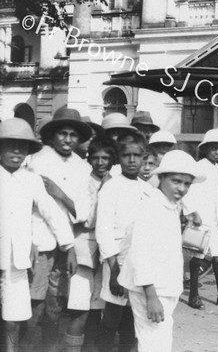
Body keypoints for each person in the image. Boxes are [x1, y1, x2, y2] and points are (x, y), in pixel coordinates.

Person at [0, 119, 74, 352]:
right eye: (10, 145)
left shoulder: (31, 180)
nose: (16, 151)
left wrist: (69, 246)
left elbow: (51, 212)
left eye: (22, 146)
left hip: (16, 262)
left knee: (13, 319)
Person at [119, 150, 204, 352]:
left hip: (166, 286)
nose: (181, 188)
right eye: (176, 181)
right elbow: (141, 253)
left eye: (187, 184)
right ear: (162, 177)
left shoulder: (171, 206)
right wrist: (151, 296)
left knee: (160, 341)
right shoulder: (151, 207)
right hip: (151, 289)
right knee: (154, 344)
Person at [28, 107, 92, 351]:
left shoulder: (83, 167)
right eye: (62, 133)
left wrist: (61, 194)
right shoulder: (39, 160)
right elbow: (38, 207)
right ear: (53, 135)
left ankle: (48, 347)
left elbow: (84, 211)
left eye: (73, 135)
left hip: (69, 243)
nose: (67, 139)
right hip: (41, 240)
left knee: (55, 304)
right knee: (34, 301)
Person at [95, 131, 152, 352]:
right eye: (126, 155)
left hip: (138, 261)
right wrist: (114, 271)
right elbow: (104, 230)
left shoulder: (147, 189)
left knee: (132, 316)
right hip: (116, 261)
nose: (131, 160)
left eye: (136, 155)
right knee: (112, 316)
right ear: (118, 157)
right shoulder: (111, 188)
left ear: (143, 157)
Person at [63, 136, 117, 352]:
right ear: (89, 159)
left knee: (96, 309)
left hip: (105, 253)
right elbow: (85, 218)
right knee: (79, 310)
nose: (101, 162)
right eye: (96, 158)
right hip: (83, 247)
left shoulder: (116, 181)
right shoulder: (83, 181)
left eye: (105, 158)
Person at [182, 129, 218, 310]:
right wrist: (192, 212)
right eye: (213, 148)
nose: (217, 152)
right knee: (198, 255)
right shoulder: (198, 167)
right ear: (206, 149)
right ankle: (193, 295)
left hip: (214, 218)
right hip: (200, 217)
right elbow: (186, 191)